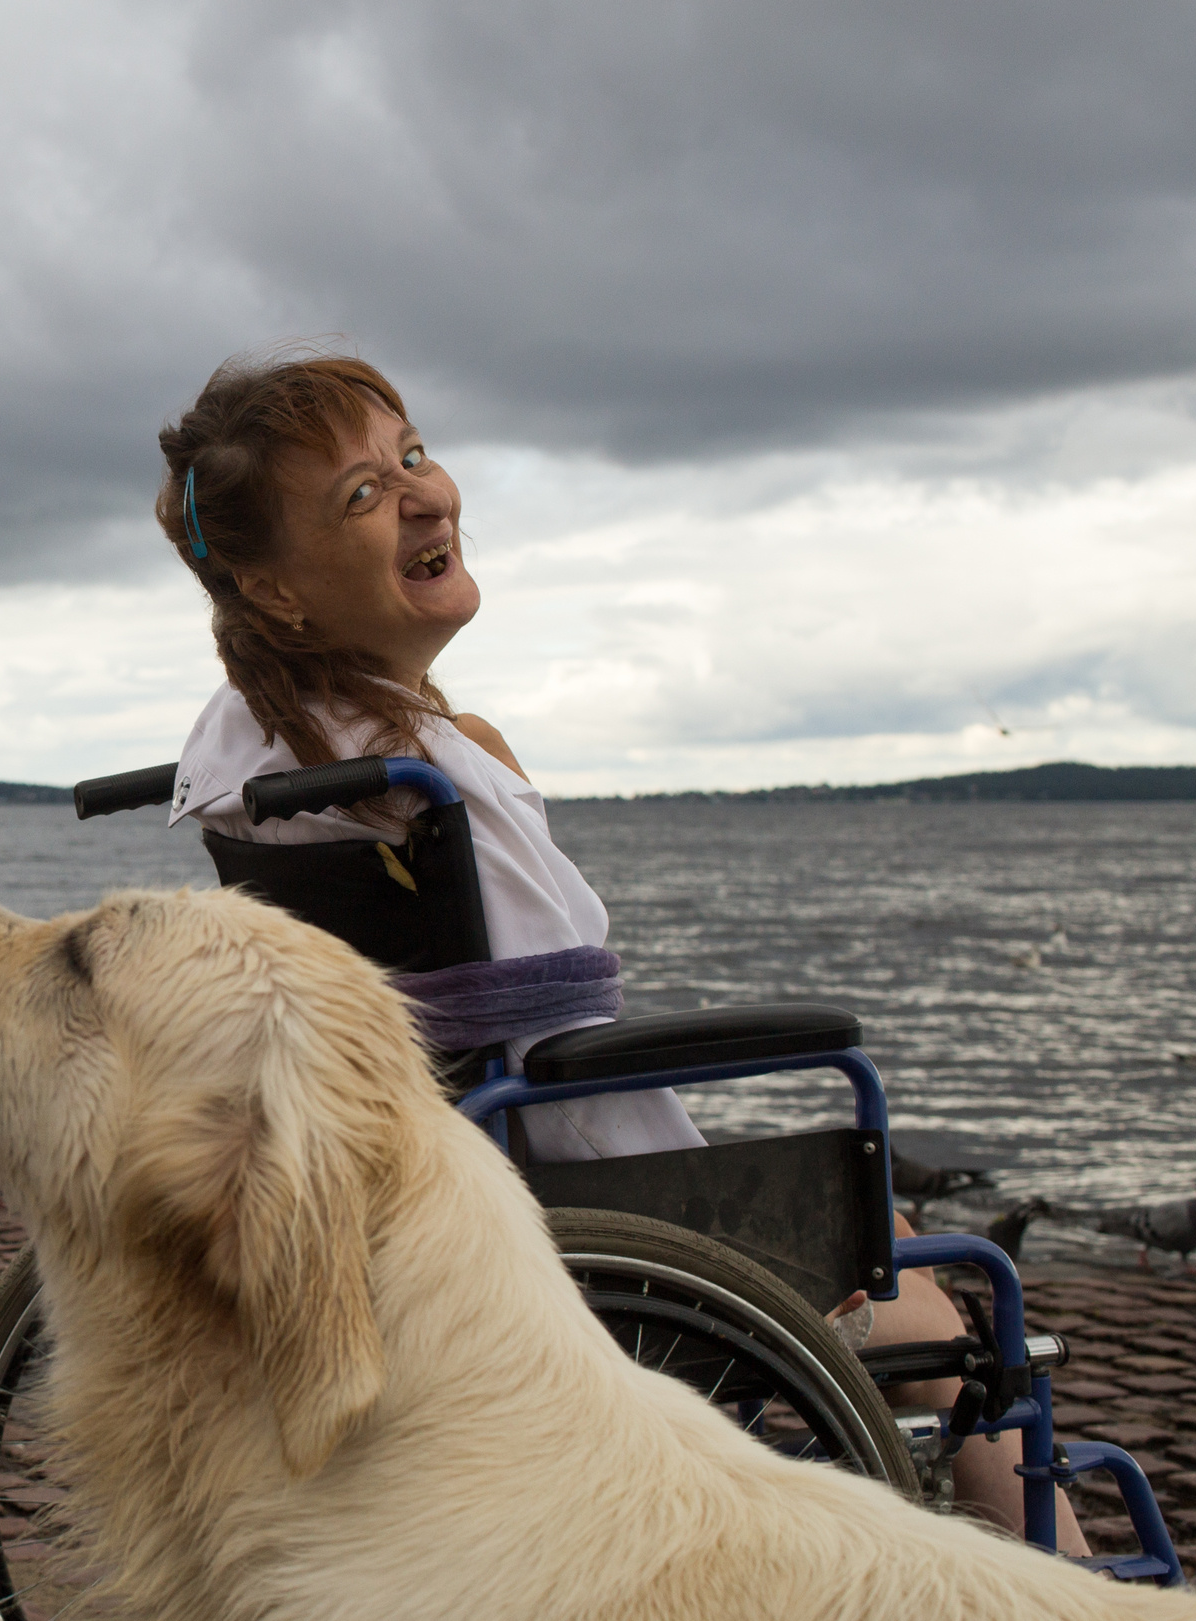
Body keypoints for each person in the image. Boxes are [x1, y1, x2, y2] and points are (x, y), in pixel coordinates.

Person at [156, 351, 1081, 1549]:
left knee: (892, 1250)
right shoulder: (430, 777)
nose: (426, 496)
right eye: (363, 495)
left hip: (438, 1186)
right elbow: (562, 1063)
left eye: (413, 457)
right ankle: (1074, 1602)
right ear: (277, 592)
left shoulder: (249, 754)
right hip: (570, 1219)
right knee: (930, 1293)